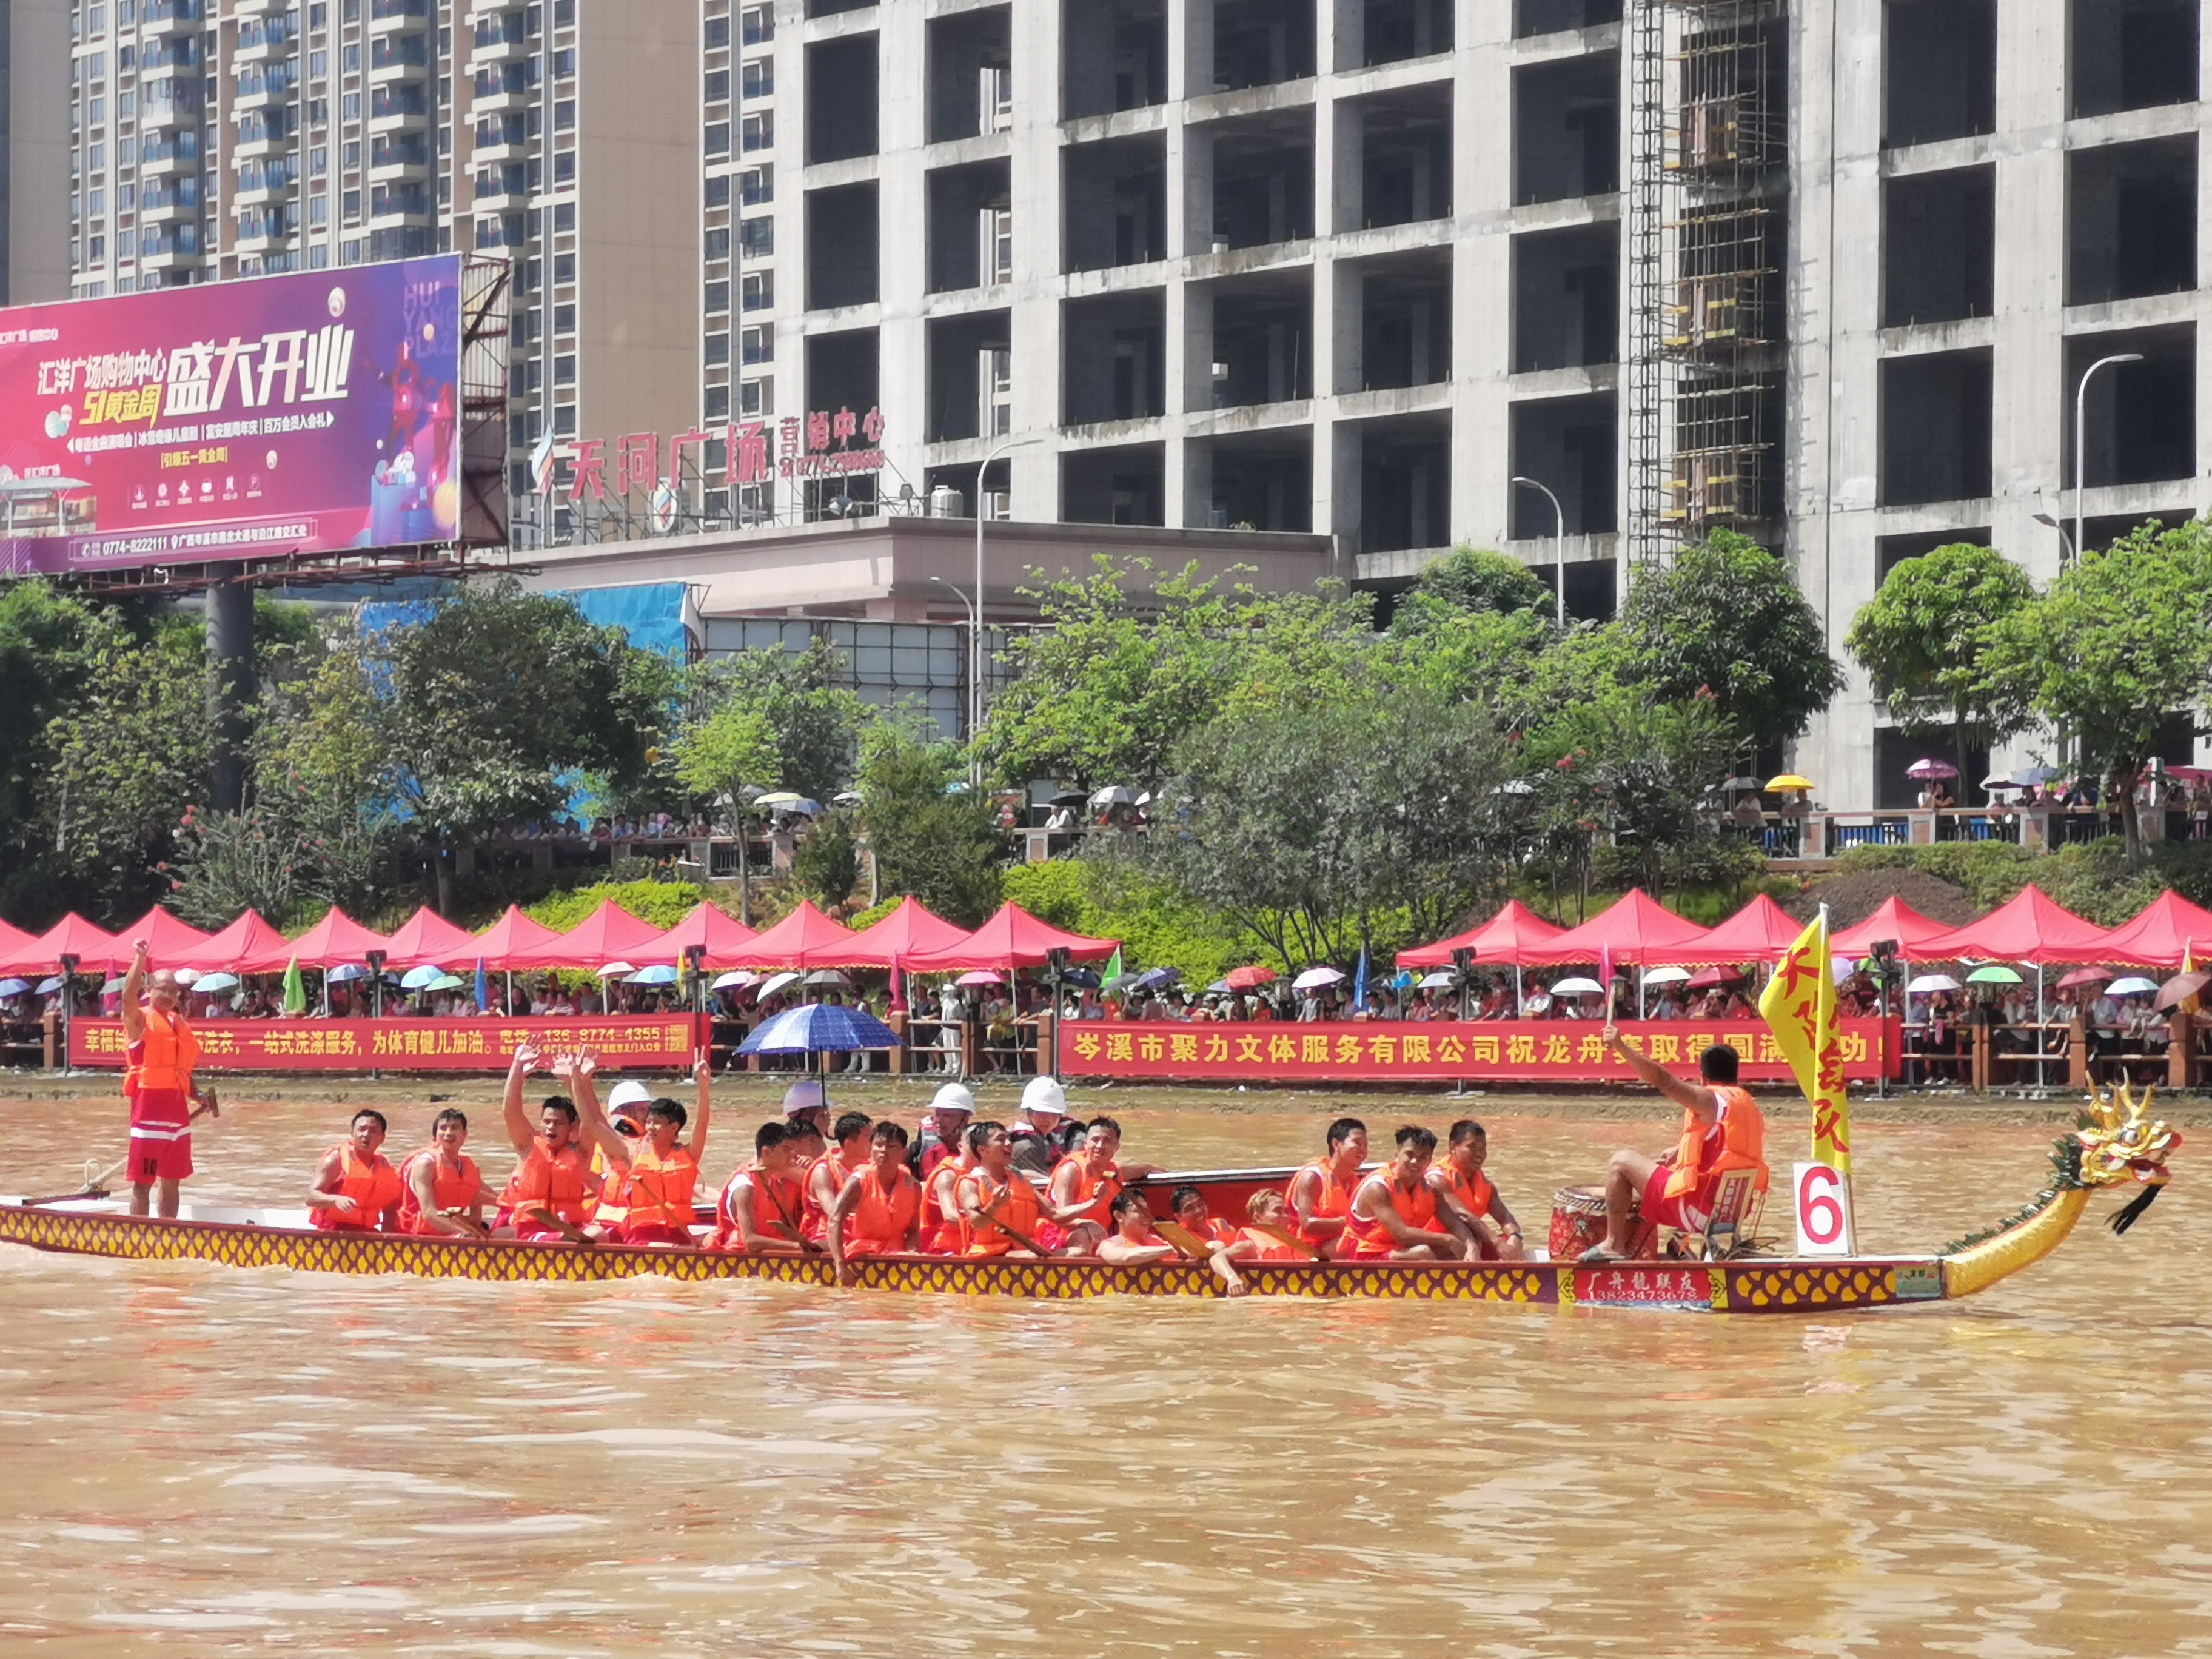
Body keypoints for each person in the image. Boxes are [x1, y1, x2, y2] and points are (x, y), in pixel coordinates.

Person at [1585, 1022, 1769, 1261]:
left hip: (1697, 1211)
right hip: (1735, 1213)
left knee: (1621, 1162)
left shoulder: (1709, 1098)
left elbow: (1663, 1080)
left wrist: (1621, 1047)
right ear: (1735, 1074)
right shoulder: (1747, 1104)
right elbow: (1728, 1146)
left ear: (1703, 1076)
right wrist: (1681, 1149)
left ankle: (1614, 1245)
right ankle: (1679, 1249)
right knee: (1664, 1173)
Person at [586, 1053, 712, 1247]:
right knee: (669, 1248)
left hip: (679, 1233)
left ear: (674, 1128)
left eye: (657, 1123)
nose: (650, 1127)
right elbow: (593, 1122)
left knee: (715, 1239)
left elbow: (702, 1125)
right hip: (644, 1238)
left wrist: (703, 1085)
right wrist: (581, 1081)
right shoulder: (631, 1154)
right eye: (649, 1121)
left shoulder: (688, 1155)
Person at [120, 939, 204, 1219]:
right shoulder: (139, 1021)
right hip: (148, 1114)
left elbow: (180, 1070)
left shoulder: (178, 1024)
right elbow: (127, 997)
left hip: (177, 1114)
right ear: (150, 991)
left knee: (172, 1181)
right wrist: (140, 959)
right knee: (144, 1181)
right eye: (163, 989)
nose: (169, 995)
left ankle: (167, 1232)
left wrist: (198, 1095)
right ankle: (139, 1235)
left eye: (174, 991)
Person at [492, 1042, 600, 1241]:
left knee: (598, 1234)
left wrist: (580, 1079)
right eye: (547, 1122)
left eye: (558, 1123)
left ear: (571, 1127)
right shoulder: (528, 1146)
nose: (551, 1128)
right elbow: (511, 1112)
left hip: (571, 1228)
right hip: (531, 1229)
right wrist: (517, 1067)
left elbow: (593, 1120)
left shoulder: (581, 1152)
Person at [956, 1121, 1098, 1258]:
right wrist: (995, 1205)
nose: (1009, 1144)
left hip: (1025, 1254)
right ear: (982, 1150)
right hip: (991, 1259)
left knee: (1078, 1253)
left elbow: (1054, 1214)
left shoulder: (1020, 1182)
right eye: (1001, 1140)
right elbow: (976, 1223)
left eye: (1008, 1139)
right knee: (1032, 1256)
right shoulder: (970, 1183)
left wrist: (1094, 1202)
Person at [1341, 1125, 1466, 1260]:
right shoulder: (1378, 1188)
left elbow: (1453, 1223)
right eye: (1410, 1155)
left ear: (1430, 1161)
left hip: (1398, 1249)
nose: (1415, 1162)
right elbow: (1401, 1235)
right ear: (1397, 1155)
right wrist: (1447, 1239)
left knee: (1462, 1247)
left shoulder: (1429, 1187)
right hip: (1365, 1253)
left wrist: (1471, 1246)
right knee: (1423, 1253)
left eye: (1423, 1157)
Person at [1044, 1114, 1162, 1254]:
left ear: (1116, 1147)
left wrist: (1154, 1169)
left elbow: (1136, 1170)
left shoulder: (1114, 1172)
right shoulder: (1071, 1170)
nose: (1100, 1146)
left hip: (1096, 1236)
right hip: (1057, 1239)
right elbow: (1060, 1217)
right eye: (1095, 1140)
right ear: (1086, 1144)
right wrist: (1087, 1224)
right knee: (1082, 1235)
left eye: (1106, 1141)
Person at [826, 1120, 923, 1282]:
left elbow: (913, 1230)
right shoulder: (858, 1181)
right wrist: (840, 1264)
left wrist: (912, 1255)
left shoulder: (913, 1186)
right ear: (871, 1148)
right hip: (861, 1257)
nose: (883, 1151)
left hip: (896, 1257)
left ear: (904, 1153)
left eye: (891, 1147)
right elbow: (836, 1220)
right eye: (879, 1145)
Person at [1426, 1119, 1526, 1261]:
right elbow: (1462, 1215)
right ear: (1453, 1146)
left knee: (1508, 1243)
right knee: (1480, 1245)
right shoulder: (1437, 1178)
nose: (1480, 1154)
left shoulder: (1484, 1183)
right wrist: (1497, 1243)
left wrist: (1515, 1237)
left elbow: (1505, 1217)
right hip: (1434, 1244)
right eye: (1472, 1147)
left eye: (1483, 1148)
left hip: (1470, 1242)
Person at [711, 1120, 812, 1254]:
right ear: (766, 1152)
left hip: (771, 1254)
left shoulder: (777, 1185)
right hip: (741, 1258)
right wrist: (798, 1247)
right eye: (786, 1149)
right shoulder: (745, 1187)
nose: (793, 1155)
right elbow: (750, 1242)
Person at [306, 1108, 406, 1233]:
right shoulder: (336, 1159)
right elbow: (311, 1197)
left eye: (373, 1131)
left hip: (366, 1234)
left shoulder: (386, 1169)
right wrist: (335, 1200)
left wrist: (388, 1244)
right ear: (352, 1134)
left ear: (382, 1138)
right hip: (333, 1234)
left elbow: (390, 1214)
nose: (366, 1134)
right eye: (362, 1129)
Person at [396, 1108, 486, 1237]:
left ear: (465, 1135)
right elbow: (429, 1213)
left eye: (455, 1128)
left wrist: (464, 1228)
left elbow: (476, 1215)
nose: (448, 1133)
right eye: (443, 1128)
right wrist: (463, 1232)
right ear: (435, 1136)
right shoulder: (426, 1164)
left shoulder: (472, 1168)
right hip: (419, 1236)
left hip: (456, 1232)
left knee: (506, 1232)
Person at [1287, 1116, 1368, 1259]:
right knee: (1361, 1245)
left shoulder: (1354, 1182)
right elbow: (1308, 1225)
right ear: (1337, 1144)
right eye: (1358, 1143)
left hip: (1338, 1247)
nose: (1363, 1150)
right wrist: (1355, 1223)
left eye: (1366, 1146)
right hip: (1307, 1254)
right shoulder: (1313, 1177)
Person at [585, 1079, 656, 1235]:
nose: (648, 1115)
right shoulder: (614, 1142)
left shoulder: (646, 1141)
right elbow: (594, 1180)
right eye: (643, 1110)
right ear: (626, 1111)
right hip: (610, 1217)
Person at [802, 1110, 874, 1245]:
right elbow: (834, 1213)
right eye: (869, 1137)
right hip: (828, 1232)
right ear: (849, 1144)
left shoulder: (871, 1167)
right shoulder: (823, 1171)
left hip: (860, 1230)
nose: (874, 1142)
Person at [1010, 1074, 1084, 1175]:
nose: (1049, 1119)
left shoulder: (1072, 1135)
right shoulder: (1025, 1146)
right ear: (1030, 1113)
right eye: (1042, 1113)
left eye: (1054, 1114)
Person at [913, 1082, 975, 1179]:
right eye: (937, 1114)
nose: (939, 1121)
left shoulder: (978, 1146)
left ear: (965, 1119)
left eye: (947, 1116)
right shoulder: (920, 1147)